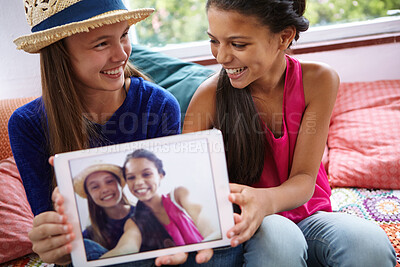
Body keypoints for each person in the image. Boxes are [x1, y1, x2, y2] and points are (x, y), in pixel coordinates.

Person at [9, 0, 242, 266]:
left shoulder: (160, 106)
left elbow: (165, 209)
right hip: (99, 256)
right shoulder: (27, 124)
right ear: (60, 52)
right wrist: (55, 245)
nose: (121, 54)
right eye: (101, 43)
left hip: (159, 248)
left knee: (236, 240)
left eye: (124, 36)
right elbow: (59, 244)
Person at [183, 0, 397, 266]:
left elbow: (305, 179)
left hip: (311, 216)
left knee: (369, 243)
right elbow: (187, 184)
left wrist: (264, 200)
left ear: (284, 37)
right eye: (214, 41)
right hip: (251, 224)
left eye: (238, 44)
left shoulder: (319, 80)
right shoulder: (209, 96)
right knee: (280, 238)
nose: (221, 56)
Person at [104, 148, 219, 256]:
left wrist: (209, 243)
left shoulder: (179, 195)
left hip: (209, 255)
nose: (138, 182)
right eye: (131, 177)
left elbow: (204, 221)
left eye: (146, 174)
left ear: (160, 175)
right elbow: (127, 247)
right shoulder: (133, 222)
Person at [72, 163, 135, 260]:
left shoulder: (144, 212)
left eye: (109, 181)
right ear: (90, 196)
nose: (105, 189)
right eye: (95, 187)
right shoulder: (90, 234)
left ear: (120, 185)